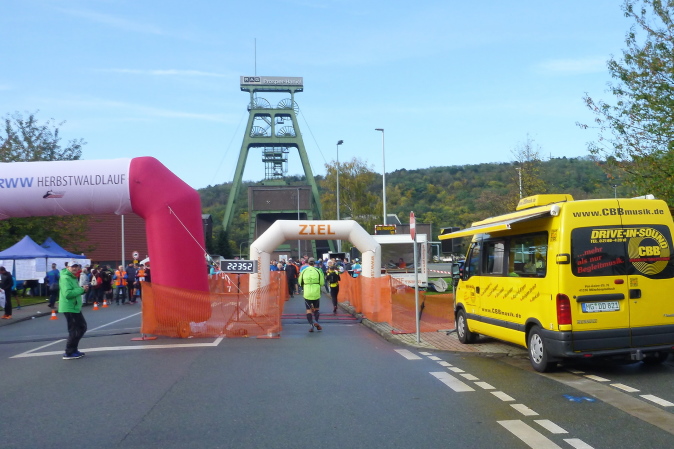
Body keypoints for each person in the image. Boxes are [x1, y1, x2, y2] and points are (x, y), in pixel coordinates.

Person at [59, 263, 89, 360]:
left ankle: (73, 349)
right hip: (69, 307)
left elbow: (75, 291)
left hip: (74, 307)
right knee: (75, 329)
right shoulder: (65, 278)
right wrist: (81, 290)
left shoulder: (73, 277)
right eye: (73, 267)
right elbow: (68, 294)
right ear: (67, 267)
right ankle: (69, 352)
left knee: (81, 327)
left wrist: (83, 290)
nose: (75, 268)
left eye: (76, 266)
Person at [297, 257, 325, 332]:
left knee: (308, 310)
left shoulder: (304, 271)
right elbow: (322, 282)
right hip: (316, 291)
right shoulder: (318, 271)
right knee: (316, 309)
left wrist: (304, 285)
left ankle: (311, 324)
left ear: (308, 263)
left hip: (307, 292)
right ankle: (316, 321)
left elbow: (300, 282)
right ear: (314, 263)